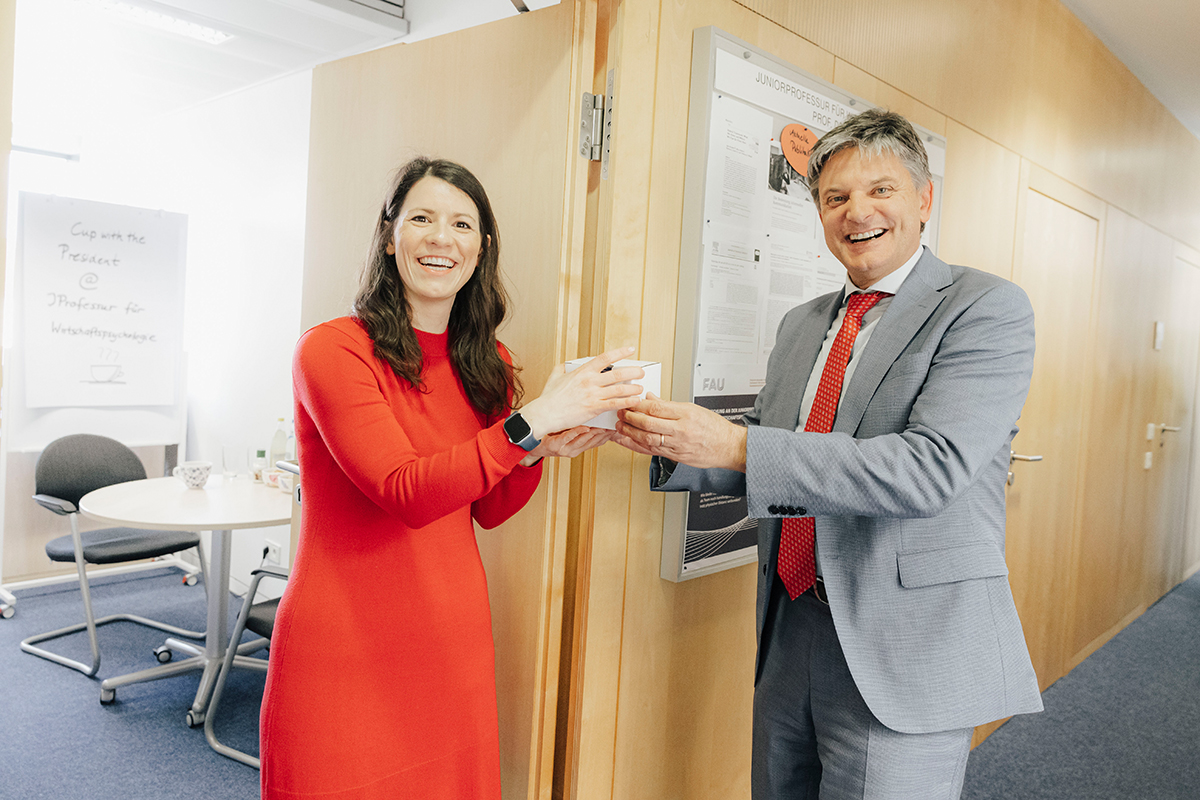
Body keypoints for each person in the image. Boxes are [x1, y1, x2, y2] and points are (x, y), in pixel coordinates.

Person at [614, 109, 1043, 799]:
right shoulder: (803, 322)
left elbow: (928, 469)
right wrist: (659, 437)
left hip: (902, 643)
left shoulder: (984, 308)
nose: (856, 212)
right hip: (790, 625)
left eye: (881, 190)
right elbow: (764, 442)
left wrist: (739, 442)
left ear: (924, 199)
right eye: (834, 198)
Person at [260, 157, 644, 799]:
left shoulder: (488, 361)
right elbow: (404, 491)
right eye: (422, 219)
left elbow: (486, 508)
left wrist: (538, 449)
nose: (442, 238)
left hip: (449, 641)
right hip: (344, 650)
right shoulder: (333, 350)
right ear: (390, 236)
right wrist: (533, 421)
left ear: (480, 249)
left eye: (462, 224)